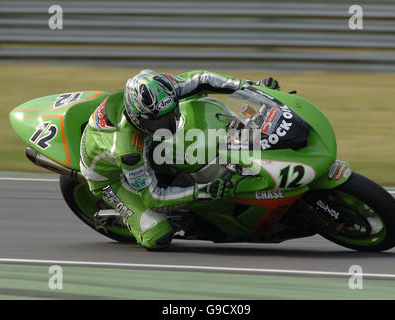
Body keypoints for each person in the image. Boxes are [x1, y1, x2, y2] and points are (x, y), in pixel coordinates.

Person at [80, 70, 279, 250]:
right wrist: (204, 190)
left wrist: (249, 86)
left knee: (198, 111)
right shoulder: (128, 151)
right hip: (109, 177)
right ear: (138, 119)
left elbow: (202, 79)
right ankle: (130, 216)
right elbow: (154, 197)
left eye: (169, 114)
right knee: (158, 236)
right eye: (158, 121)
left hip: (142, 139)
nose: (167, 123)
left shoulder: (161, 89)